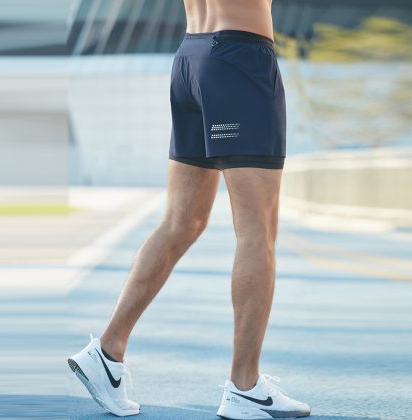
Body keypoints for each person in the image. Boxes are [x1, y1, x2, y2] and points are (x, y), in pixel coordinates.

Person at [68, 0, 311, 418]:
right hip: (241, 58)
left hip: (191, 56)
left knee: (181, 221)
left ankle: (107, 352)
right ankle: (245, 387)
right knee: (257, 233)